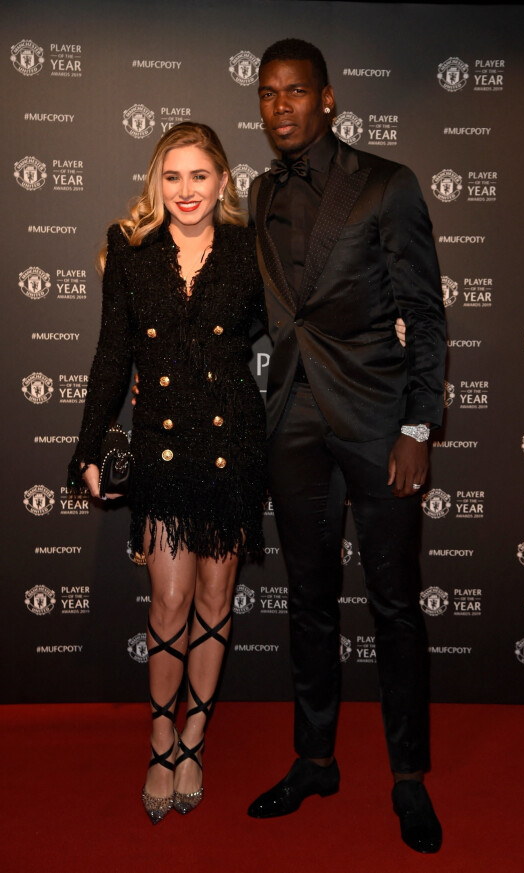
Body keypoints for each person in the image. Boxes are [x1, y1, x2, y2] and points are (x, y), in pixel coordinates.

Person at [246, 40, 446, 854]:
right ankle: (315, 756)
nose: (281, 107)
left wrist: (417, 425)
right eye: (267, 94)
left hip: (376, 423)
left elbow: (425, 313)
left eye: (296, 92)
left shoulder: (386, 185)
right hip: (292, 421)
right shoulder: (259, 191)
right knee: (308, 601)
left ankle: (408, 775)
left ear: (328, 99)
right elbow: (265, 311)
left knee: (395, 604)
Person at [68, 122, 267, 825]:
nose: (187, 191)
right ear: (158, 182)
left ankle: (194, 735)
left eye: (200, 176)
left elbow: (304, 328)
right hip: (162, 451)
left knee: (217, 599)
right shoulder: (131, 254)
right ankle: (159, 735)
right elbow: (109, 358)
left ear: (222, 182)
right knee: (170, 603)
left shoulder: (250, 251)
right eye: (173, 176)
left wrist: (381, 335)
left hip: (233, 446)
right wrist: (90, 448)